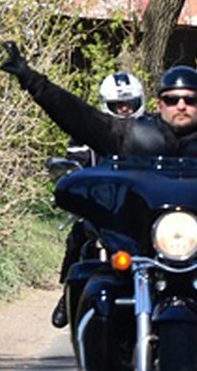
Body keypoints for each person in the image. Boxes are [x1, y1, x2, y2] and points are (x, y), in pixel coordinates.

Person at [0, 42, 197, 158]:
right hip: (140, 240)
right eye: (172, 100)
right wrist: (33, 81)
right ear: (159, 105)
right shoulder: (134, 135)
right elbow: (80, 117)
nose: (181, 106)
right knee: (84, 248)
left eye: (190, 100)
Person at [51, 71, 146, 328]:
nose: (125, 110)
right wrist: (72, 186)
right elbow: (75, 165)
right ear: (107, 105)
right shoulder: (88, 132)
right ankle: (68, 292)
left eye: (130, 104)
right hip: (103, 206)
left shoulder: (152, 131)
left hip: (144, 209)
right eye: (119, 105)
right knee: (79, 235)